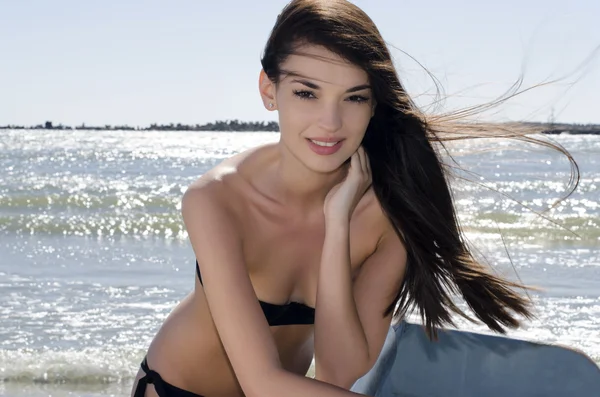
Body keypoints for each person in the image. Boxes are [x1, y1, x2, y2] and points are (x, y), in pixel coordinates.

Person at [131, 0, 579, 396]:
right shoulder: (218, 199)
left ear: (373, 105)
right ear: (270, 91)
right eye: (307, 92)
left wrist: (337, 227)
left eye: (354, 98)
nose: (330, 122)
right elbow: (261, 382)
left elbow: (337, 371)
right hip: (175, 389)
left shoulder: (388, 214)